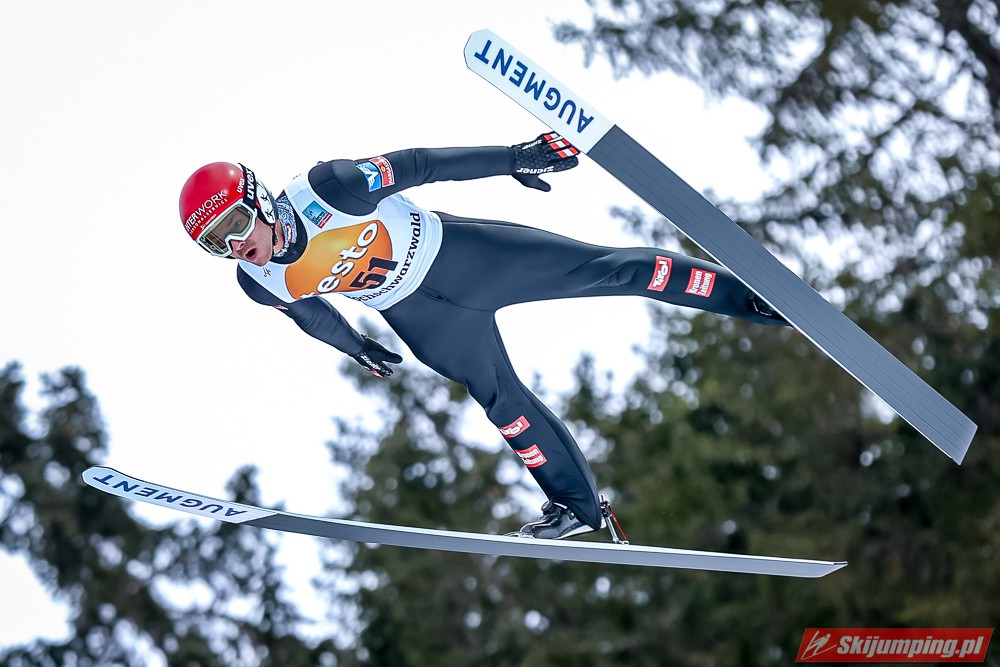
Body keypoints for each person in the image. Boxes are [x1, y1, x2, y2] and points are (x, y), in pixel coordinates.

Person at [178, 134, 786, 540]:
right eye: (216, 244)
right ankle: (577, 508)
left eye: (235, 224)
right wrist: (356, 347)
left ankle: (754, 299)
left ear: (257, 198)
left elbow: (423, 165)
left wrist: (515, 157)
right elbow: (308, 312)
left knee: (609, 271)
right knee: (502, 403)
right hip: (424, 320)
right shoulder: (257, 281)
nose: (236, 245)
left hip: (466, 257)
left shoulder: (330, 188)